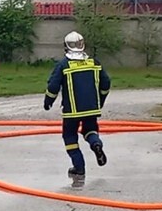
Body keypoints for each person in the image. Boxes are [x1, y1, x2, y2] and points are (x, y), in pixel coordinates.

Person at [43, 31, 111, 178]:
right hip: (91, 109)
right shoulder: (94, 63)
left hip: (72, 111)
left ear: (66, 46)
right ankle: (96, 145)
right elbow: (106, 83)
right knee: (90, 130)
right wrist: (100, 100)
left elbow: (53, 86)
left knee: (70, 137)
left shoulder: (64, 65)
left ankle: (79, 168)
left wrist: (48, 102)